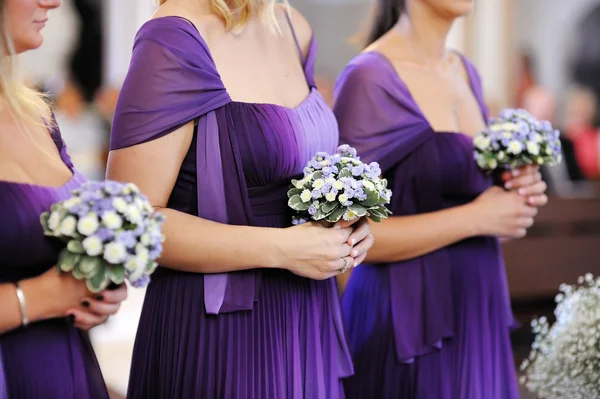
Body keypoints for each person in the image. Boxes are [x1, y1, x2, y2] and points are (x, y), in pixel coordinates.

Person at [106, 0, 373, 397]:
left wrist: (347, 222)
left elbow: (300, 165)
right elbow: (130, 218)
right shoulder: (176, 35)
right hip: (219, 325)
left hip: (305, 313)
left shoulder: (293, 26)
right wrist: (283, 248)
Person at [333, 1, 548, 397]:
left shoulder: (465, 72)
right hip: (407, 320)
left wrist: (515, 193)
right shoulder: (370, 76)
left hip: (477, 302)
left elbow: (471, 197)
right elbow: (345, 235)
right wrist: (477, 218)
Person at [0, 0, 128, 397]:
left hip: (65, 367)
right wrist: (39, 297)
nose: (52, 1)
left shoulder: (36, 112)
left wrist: (96, 291)